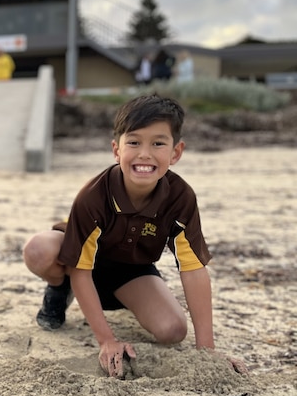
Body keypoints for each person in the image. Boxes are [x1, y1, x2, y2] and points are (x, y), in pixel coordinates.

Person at [22, 94, 246, 378]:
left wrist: (208, 351)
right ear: (117, 149)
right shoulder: (93, 196)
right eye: (134, 142)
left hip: (129, 271)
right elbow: (81, 268)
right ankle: (58, 288)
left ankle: (128, 299)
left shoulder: (180, 197)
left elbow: (193, 269)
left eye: (158, 143)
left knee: (172, 330)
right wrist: (107, 340)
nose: (145, 153)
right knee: (38, 249)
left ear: (176, 153)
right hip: (77, 265)